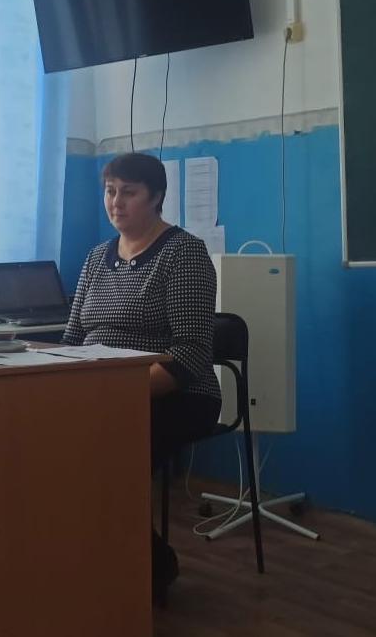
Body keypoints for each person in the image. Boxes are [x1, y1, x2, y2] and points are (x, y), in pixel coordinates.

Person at [62, 152, 222, 605]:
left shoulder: (183, 253)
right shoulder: (97, 258)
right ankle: (88, 559)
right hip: (99, 393)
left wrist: (118, 393)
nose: (116, 202)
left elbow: (191, 353)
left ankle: (148, 567)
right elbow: (72, 338)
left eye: (129, 193)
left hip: (177, 394)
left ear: (156, 197)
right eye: (110, 191)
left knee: (101, 453)